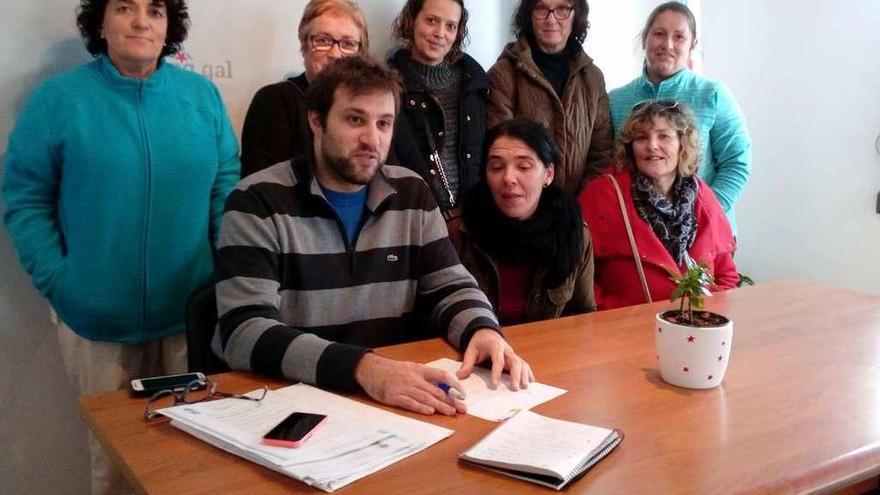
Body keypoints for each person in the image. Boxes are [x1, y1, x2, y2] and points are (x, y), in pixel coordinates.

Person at [3, 0, 240, 493]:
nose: (140, 22)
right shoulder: (59, 101)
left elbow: (225, 185)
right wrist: (61, 281)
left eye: (155, 10)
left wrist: (219, 267)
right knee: (110, 464)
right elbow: (25, 198)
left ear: (169, 24)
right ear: (101, 23)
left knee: (189, 457)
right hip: (96, 324)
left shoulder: (202, 97)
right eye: (124, 8)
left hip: (186, 324)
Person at [214, 56, 532, 418]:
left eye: (384, 123)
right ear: (317, 121)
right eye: (355, 119)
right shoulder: (256, 201)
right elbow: (243, 332)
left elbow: (451, 287)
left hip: (396, 402)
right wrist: (364, 369)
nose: (372, 138)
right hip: (292, 405)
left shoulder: (412, 193)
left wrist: (482, 330)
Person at [579, 100, 738, 311]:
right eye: (641, 137)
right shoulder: (601, 194)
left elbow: (726, 272)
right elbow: (578, 271)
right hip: (623, 330)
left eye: (664, 136)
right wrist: (609, 313)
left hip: (694, 328)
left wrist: (709, 316)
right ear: (630, 147)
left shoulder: (702, 195)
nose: (652, 145)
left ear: (682, 143)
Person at [608, 1, 751, 234]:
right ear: (645, 38)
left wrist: (704, 214)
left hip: (707, 231)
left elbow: (737, 162)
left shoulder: (712, 94)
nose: (668, 44)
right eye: (659, 34)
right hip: (640, 235)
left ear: (693, 44)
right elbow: (613, 165)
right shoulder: (616, 100)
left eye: (679, 37)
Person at [449, 119, 595, 325]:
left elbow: (583, 313)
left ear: (548, 174)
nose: (508, 178)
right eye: (497, 167)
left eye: (524, 167)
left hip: (548, 353)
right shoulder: (456, 233)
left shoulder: (573, 232)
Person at [486, 0, 614, 197]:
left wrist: (578, 209)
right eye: (541, 8)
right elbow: (501, 153)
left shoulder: (593, 78)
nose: (551, 18)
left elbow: (601, 154)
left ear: (576, 15)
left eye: (562, 9)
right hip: (522, 208)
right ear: (529, 15)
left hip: (578, 212)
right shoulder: (504, 74)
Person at [240, 0, 369, 177]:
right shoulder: (275, 101)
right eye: (323, 40)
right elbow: (262, 189)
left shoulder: (371, 108)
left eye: (348, 44)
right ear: (304, 45)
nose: (335, 54)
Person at [387, 0, 487, 215]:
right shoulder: (388, 85)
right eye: (432, 21)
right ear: (411, 20)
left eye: (450, 26)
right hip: (415, 216)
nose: (440, 33)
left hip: (473, 218)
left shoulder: (474, 83)